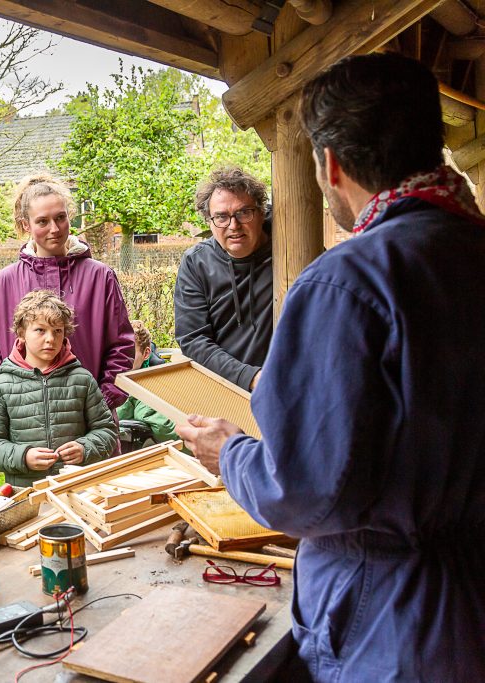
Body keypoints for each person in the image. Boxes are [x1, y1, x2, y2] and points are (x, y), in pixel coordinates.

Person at [177, 53, 485, 682]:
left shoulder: (349, 281)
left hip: (399, 620)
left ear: (330, 163)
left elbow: (304, 489)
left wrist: (229, 452)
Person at [0, 173, 134, 413]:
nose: (55, 229)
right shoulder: (4, 282)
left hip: (90, 422)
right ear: (26, 224)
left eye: (61, 218)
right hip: (24, 423)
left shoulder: (100, 277)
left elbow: (121, 346)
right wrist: (4, 405)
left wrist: (101, 401)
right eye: (42, 221)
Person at [0, 290, 117, 487]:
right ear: (21, 333)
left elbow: (106, 430)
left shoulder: (82, 379)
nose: (50, 339)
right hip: (26, 493)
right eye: (40, 330)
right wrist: (23, 457)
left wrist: (84, 448)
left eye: (57, 331)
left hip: (76, 489)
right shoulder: (2, 385)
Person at [174, 167, 272, 390]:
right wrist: (251, 377)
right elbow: (193, 340)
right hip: (224, 389)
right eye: (221, 217)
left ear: (260, 212)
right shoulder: (196, 264)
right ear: (209, 221)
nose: (234, 226)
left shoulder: (290, 247)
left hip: (289, 389)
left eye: (244, 212)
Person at [116, 321, 177, 447]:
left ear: (146, 353)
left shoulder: (148, 387)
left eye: (131, 352)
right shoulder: (106, 377)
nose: (124, 359)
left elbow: (164, 429)